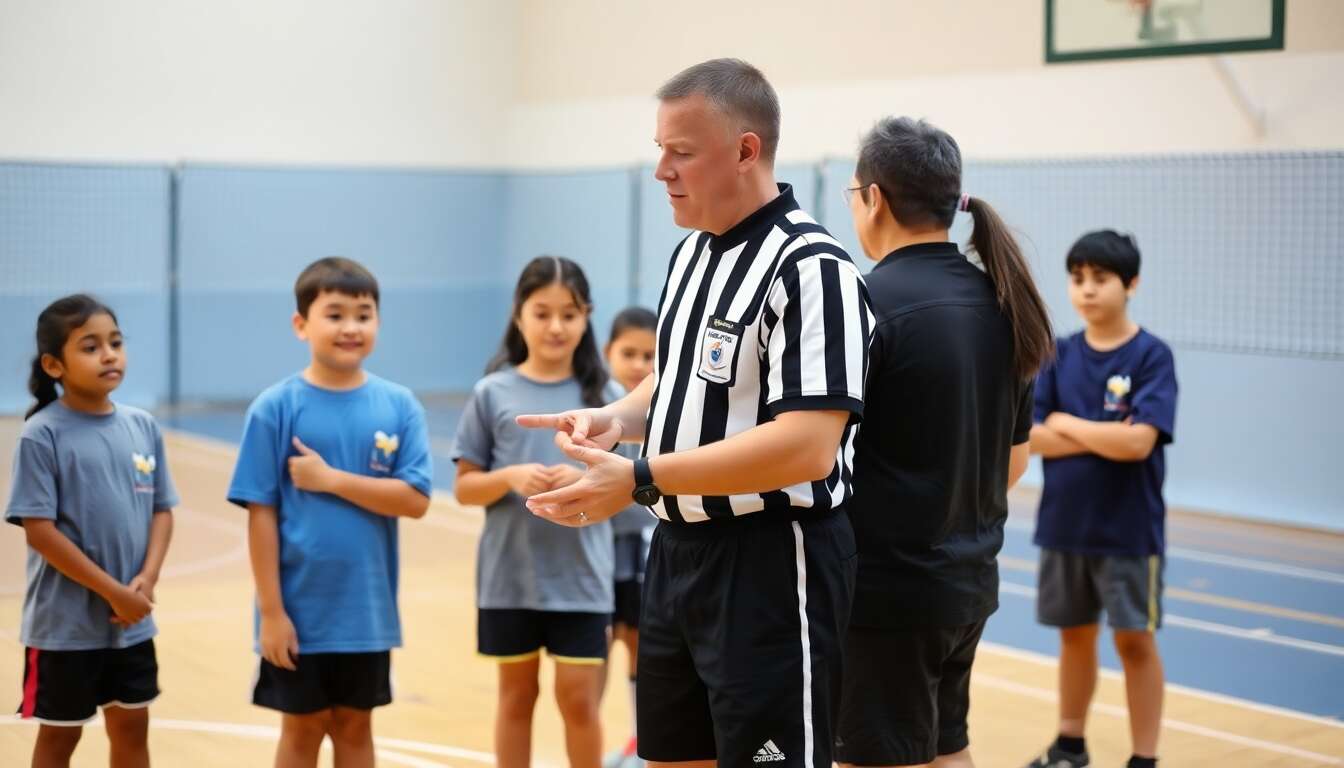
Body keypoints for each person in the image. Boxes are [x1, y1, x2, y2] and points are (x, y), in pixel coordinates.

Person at [518, 58, 874, 768]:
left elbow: (807, 447)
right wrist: (616, 419)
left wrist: (641, 476)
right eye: (660, 152)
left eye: (681, 153)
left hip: (773, 561)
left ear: (746, 150)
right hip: (677, 558)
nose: (662, 173)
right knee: (672, 758)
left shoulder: (814, 270)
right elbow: (680, 379)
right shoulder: (691, 257)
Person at [835, 117, 1054, 768]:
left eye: (852, 193)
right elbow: (1013, 460)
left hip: (886, 595)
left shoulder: (867, 303)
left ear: (873, 198)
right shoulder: (1003, 299)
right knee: (945, 748)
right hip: (967, 584)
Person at [228, 257, 432, 768]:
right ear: (301, 324)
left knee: (355, 727)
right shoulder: (275, 407)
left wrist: (331, 480)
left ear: (378, 323)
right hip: (299, 612)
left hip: (365, 611)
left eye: (363, 314)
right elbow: (260, 515)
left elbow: (415, 499)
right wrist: (272, 614)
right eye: (335, 314)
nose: (350, 327)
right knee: (301, 730)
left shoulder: (399, 405)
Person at [453, 256, 618, 768]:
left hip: (583, 581)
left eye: (569, 314)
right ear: (518, 314)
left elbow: (630, 489)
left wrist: (586, 482)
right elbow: (464, 489)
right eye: (541, 312)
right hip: (509, 580)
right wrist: (508, 477)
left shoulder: (608, 398)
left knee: (579, 701)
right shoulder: (492, 393)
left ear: (587, 316)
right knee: (516, 698)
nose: (555, 326)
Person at [1024, 231, 1177, 768]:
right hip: (1065, 527)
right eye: (1077, 278)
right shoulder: (1058, 354)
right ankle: (1070, 746)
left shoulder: (1152, 356)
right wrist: (1096, 432)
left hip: (1129, 533)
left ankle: (1144, 757)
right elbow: (1032, 436)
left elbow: (1139, 443)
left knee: (1135, 644)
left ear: (1131, 283)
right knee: (1074, 639)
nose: (1087, 290)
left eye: (1101, 278)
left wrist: (1065, 422)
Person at [7, 294, 177, 768]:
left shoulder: (143, 426)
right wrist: (112, 592)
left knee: (132, 732)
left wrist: (147, 579)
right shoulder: (43, 434)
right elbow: (40, 531)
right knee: (59, 740)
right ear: (53, 364)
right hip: (65, 629)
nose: (108, 354)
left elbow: (162, 509)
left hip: (132, 624)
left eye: (115, 342)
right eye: (90, 346)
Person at [600, 306, 658, 768]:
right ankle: (593, 734)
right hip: (601, 551)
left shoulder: (666, 410)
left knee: (641, 645)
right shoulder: (596, 410)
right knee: (600, 648)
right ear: (608, 353)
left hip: (645, 551)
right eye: (629, 353)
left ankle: (641, 740)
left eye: (649, 355)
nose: (639, 364)